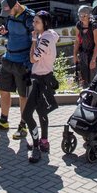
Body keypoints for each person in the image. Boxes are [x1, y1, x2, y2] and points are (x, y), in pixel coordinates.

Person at [0, 0, 34, 140]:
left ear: (16, 5)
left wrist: (32, 60)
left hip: (23, 61)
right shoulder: (10, 16)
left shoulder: (29, 17)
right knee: (3, 90)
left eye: (9, 12)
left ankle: (23, 126)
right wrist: (4, 31)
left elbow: (35, 38)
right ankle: (3, 121)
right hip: (8, 58)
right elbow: (10, 31)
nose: (8, 15)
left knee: (23, 95)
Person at [23, 11, 59, 162]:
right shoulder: (50, 35)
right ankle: (44, 142)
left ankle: (37, 147)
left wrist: (33, 40)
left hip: (40, 80)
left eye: (37, 22)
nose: (34, 24)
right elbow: (55, 36)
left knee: (27, 115)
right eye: (34, 21)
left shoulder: (43, 40)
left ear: (45, 23)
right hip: (46, 78)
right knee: (41, 112)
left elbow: (33, 58)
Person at [72, 5, 97, 88]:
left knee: (93, 79)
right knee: (84, 79)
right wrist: (74, 55)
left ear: (88, 15)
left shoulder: (94, 25)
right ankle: (85, 96)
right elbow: (77, 40)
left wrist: (93, 59)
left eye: (84, 15)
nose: (82, 17)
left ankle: (94, 98)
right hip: (83, 54)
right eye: (80, 15)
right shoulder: (79, 25)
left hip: (93, 54)